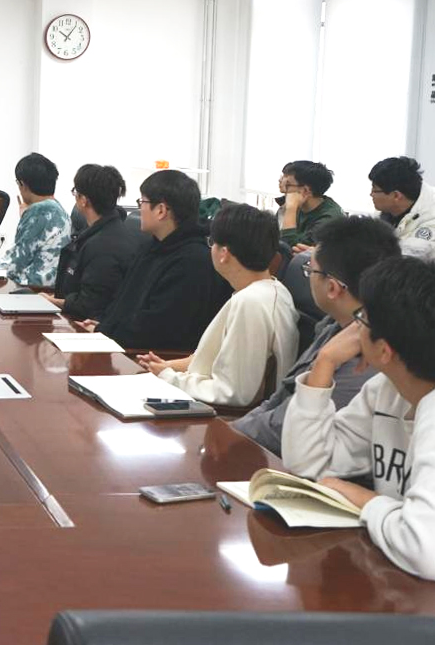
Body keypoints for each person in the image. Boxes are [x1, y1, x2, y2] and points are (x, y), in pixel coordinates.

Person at [282, 255, 435, 580]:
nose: (354, 328)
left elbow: (426, 549)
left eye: (362, 318)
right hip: (399, 583)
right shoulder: (386, 390)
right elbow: (306, 462)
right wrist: (325, 361)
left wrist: (368, 501)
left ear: (384, 350)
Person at [234, 216, 401, 454]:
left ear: (332, 287)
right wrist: (235, 429)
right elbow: (280, 398)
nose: (308, 276)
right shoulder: (334, 325)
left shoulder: (367, 356)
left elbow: (287, 432)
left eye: (309, 270)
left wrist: (232, 433)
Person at [137, 204, 299, 407]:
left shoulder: (250, 303)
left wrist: (169, 377)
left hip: (226, 415)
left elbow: (233, 392)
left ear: (224, 253)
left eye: (211, 243)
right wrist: (167, 367)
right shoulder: (272, 289)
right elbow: (216, 360)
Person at [78, 170, 229, 351]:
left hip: (155, 357)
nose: (140, 209)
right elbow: (122, 304)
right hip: (122, 345)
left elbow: (157, 329)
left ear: (161, 210)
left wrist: (105, 332)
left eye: (142, 202)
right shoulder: (150, 248)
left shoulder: (193, 262)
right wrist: (103, 325)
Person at [48, 164, 145, 319]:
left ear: (83, 200)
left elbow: (90, 306)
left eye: (75, 192)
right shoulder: (100, 233)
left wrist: (54, 302)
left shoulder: (105, 247)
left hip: (88, 325)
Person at [0, 152, 70, 287]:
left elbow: (15, 263)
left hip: (33, 288)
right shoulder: (58, 208)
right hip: (52, 285)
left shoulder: (39, 212)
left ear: (22, 184)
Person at [278, 160, 343, 252]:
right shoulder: (297, 206)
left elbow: (289, 250)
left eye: (287, 185)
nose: (284, 190)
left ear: (305, 190)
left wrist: (291, 209)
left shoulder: (329, 219)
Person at [370, 156, 435, 244]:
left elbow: (412, 250)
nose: (371, 194)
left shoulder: (431, 219)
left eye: (374, 190)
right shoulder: (386, 209)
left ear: (396, 196)